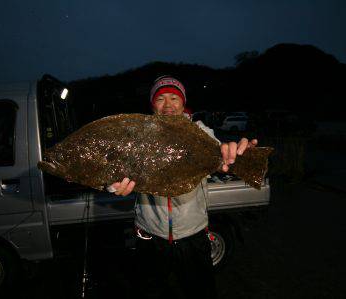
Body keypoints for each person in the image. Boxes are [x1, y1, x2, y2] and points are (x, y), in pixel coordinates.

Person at [110, 76, 257, 299]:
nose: (168, 105)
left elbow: (223, 157)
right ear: (152, 105)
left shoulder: (200, 132)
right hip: (150, 237)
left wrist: (237, 155)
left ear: (183, 102)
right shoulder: (139, 135)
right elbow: (115, 172)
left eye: (174, 98)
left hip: (194, 235)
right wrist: (113, 186)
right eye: (160, 99)